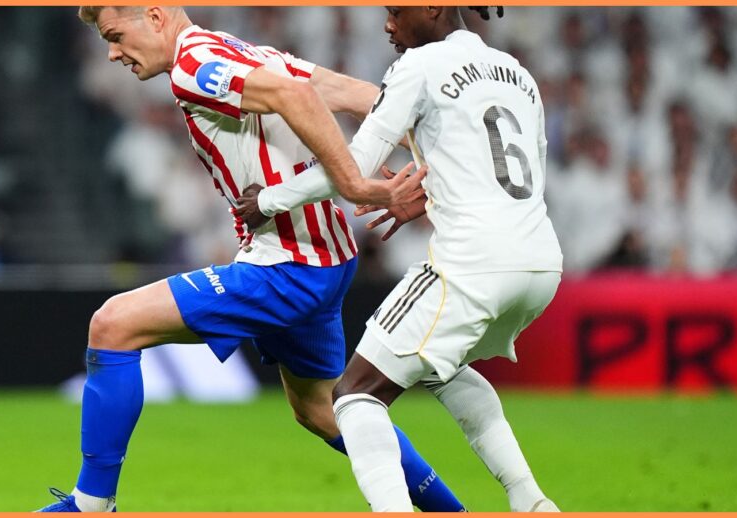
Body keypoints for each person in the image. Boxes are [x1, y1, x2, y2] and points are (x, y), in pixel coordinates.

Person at [37, 6, 463, 512]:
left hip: (288, 266)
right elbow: (356, 94)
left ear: (154, 16)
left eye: (114, 35)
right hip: (326, 258)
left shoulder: (194, 64)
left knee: (112, 325)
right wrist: (432, 164)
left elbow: (296, 94)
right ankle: (452, 511)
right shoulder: (234, 48)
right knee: (325, 410)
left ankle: (89, 504)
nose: (112, 53)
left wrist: (354, 183)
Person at [237, 6, 563, 512]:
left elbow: (353, 168)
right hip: (540, 260)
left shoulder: (418, 66)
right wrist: (432, 194)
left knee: (354, 396)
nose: (387, 24)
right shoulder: (518, 74)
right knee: (441, 365)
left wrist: (269, 201)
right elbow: (506, 172)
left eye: (394, 11)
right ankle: (531, 501)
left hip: (472, 262)